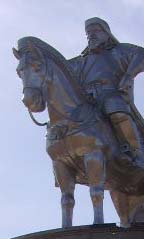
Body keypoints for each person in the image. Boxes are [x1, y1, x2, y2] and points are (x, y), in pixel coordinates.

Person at [69, 17, 144, 164]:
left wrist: (129, 75)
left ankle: (137, 153)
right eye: (88, 32)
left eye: (95, 31)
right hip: (88, 99)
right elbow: (61, 70)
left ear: (106, 33)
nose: (91, 35)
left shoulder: (119, 51)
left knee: (114, 107)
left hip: (112, 93)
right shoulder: (81, 60)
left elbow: (141, 54)